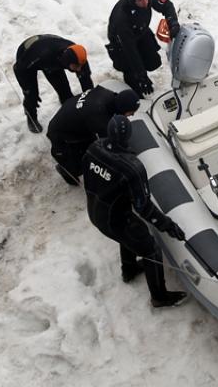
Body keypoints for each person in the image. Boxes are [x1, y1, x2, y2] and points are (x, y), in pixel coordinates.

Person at [84, 115, 189, 308]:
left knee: (130, 232)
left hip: (95, 211)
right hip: (115, 220)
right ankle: (160, 297)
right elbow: (144, 208)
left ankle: (129, 269)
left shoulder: (94, 148)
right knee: (150, 248)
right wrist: (168, 225)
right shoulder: (132, 168)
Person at [47, 86, 140, 185]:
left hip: (76, 119)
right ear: (123, 108)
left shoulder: (108, 95)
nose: (132, 115)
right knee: (84, 162)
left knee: (89, 146)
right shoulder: (99, 115)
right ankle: (65, 169)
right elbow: (108, 143)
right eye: (131, 112)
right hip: (61, 133)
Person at [107, 0, 179, 95]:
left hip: (140, 30)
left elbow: (167, 5)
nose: (145, 2)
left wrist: (173, 23)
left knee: (153, 62)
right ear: (132, 2)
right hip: (121, 43)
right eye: (140, 0)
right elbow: (131, 51)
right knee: (132, 71)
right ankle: (135, 92)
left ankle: (142, 68)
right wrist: (142, 77)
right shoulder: (122, 19)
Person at [14, 35, 94, 133]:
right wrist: (27, 90)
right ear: (67, 61)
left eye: (81, 66)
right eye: (76, 66)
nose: (79, 69)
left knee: (65, 91)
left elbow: (87, 83)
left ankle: (68, 108)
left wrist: (91, 103)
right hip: (28, 56)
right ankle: (31, 117)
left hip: (51, 55)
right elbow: (19, 69)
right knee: (32, 95)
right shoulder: (42, 56)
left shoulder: (78, 56)